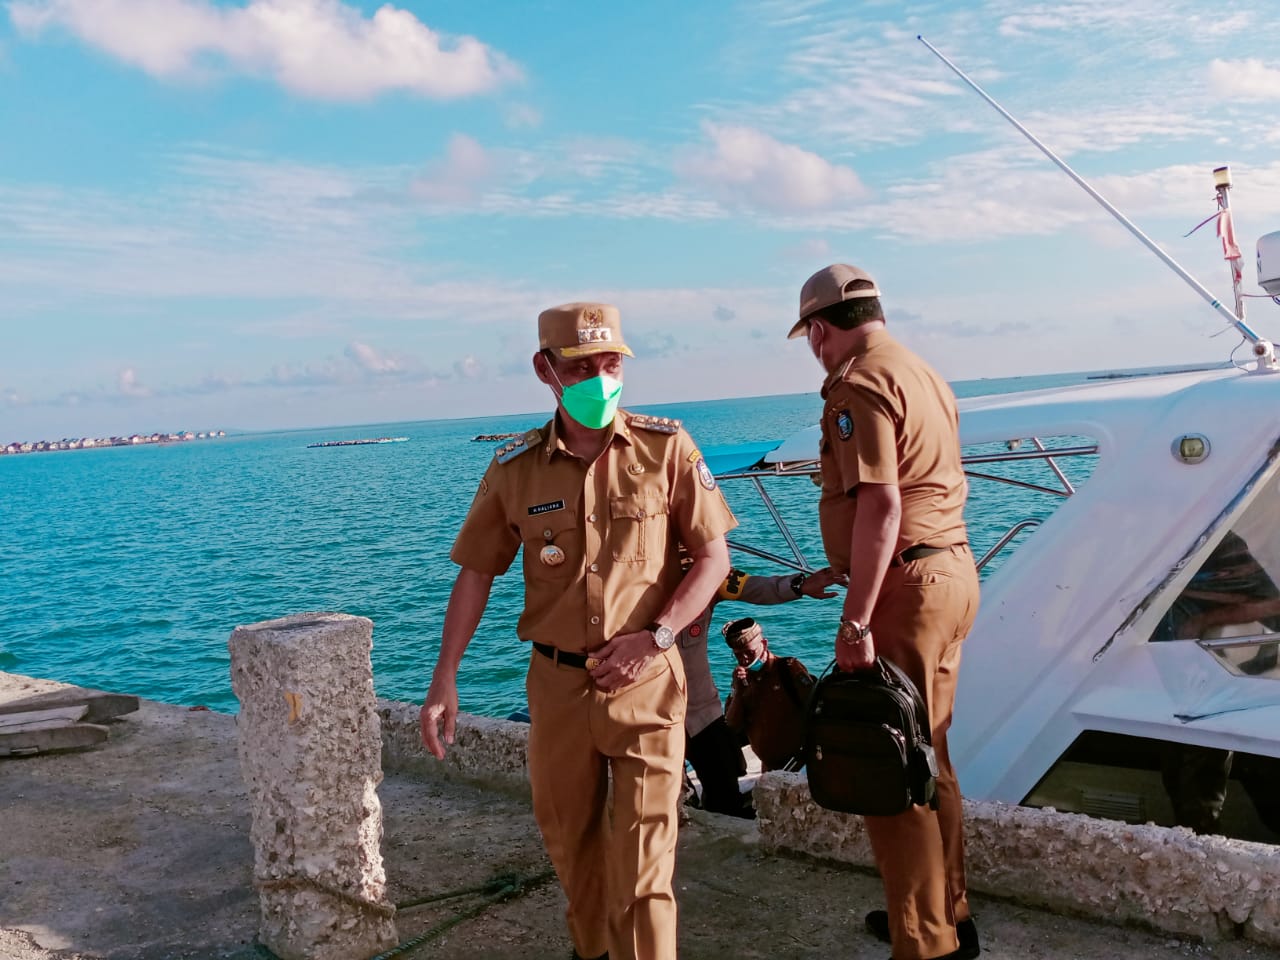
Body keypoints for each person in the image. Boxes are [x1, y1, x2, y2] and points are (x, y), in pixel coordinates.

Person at [419, 302, 738, 960]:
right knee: (573, 850)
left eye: (611, 363)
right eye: (582, 366)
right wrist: (444, 675)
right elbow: (477, 573)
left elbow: (714, 561)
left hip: (648, 685)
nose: (600, 377)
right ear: (546, 370)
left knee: (648, 868)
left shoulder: (666, 447)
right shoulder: (515, 469)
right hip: (559, 689)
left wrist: (656, 636)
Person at [789, 264, 981, 960]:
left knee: (888, 763)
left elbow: (880, 501)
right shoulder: (922, 372)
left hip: (907, 588)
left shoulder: (860, 382)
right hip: (951, 572)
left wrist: (857, 619)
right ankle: (947, 917)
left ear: (818, 331)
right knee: (931, 756)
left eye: (811, 337)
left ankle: (923, 943)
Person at [681, 563, 844, 818]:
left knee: (724, 789)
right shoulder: (638, 587)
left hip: (702, 711)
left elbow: (756, 587)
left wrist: (799, 586)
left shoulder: (708, 577)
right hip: (656, 709)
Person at [722, 616, 816, 772]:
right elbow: (732, 725)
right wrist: (739, 691)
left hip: (801, 764)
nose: (744, 659)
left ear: (764, 644)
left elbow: (814, 708)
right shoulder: (742, 680)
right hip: (768, 768)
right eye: (738, 655)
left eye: (749, 652)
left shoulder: (788, 669)